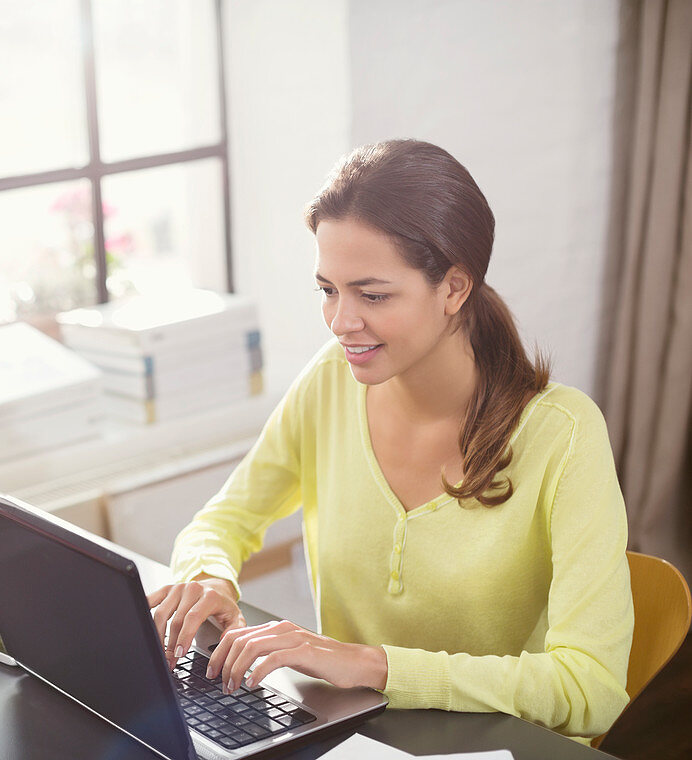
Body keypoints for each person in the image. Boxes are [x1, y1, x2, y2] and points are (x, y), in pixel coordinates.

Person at [147, 139, 633, 742]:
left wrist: (375, 664)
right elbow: (223, 520)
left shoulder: (563, 435)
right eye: (328, 289)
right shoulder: (331, 382)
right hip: (358, 740)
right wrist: (208, 578)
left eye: (372, 295)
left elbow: (593, 689)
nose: (341, 322)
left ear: (455, 288)